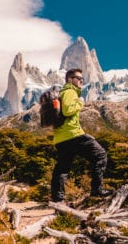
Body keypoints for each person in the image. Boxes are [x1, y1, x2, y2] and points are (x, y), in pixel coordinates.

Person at [51, 68, 112, 203]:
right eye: (78, 78)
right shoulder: (70, 91)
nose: (81, 81)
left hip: (61, 139)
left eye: (82, 79)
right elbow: (67, 111)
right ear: (69, 80)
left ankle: (58, 201)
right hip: (74, 135)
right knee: (100, 155)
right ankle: (97, 190)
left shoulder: (62, 93)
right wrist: (80, 102)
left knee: (62, 168)